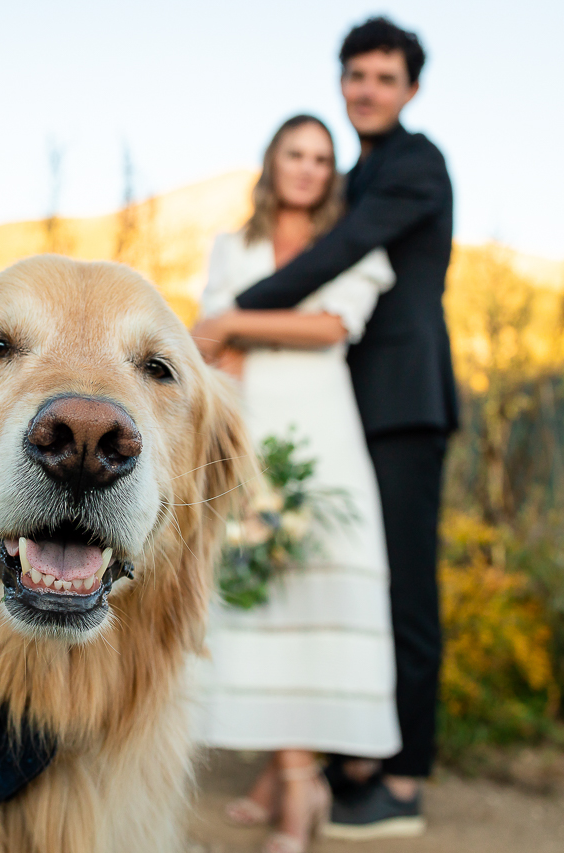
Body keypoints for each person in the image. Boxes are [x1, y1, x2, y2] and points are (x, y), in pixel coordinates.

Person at [195, 16, 457, 840]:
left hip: (403, 398)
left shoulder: (413, 166)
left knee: (402, 586)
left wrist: (234, 317)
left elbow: (335, 258)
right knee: (323, 566)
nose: (369, 89)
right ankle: (339, 763)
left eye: (385, 77)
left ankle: (402, 778)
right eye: (357, 75)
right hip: (354, 400)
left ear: (410, 87)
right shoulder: (362, 170)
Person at [191, 113, 400, 853]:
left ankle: (300, 789)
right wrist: (228, 430)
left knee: (313, 583)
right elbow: (212, 344)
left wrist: (239, 320)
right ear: (272, 161)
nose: (308, 168)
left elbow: (332, 326)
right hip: (255, 423)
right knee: (255, 588)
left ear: (331, 172)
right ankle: (284, 773)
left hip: (322, 428)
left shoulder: (345, 248)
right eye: (295, 154)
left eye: (321, 157)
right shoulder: (233, 247)